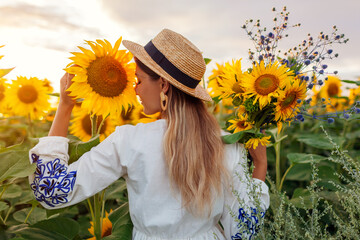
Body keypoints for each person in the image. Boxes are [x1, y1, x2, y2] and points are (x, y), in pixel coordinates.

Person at [29, 29, 269, 240]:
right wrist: (260, 166)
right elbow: (243, 231)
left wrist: (64, 106)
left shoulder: (130, 141)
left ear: (163, 85)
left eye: (139, 80)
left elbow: (53, 191)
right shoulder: (226, 144)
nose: (135, 89)